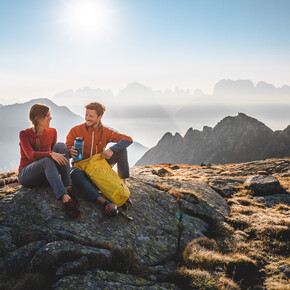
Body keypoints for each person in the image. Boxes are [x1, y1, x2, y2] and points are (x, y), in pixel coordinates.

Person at [66, 102, 133, 217]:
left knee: (121, 150)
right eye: (86, 115)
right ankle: (105, 203)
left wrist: (112, 149)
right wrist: (69, 152)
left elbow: (128, 139)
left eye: (91, 116)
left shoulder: (105, 131)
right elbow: (66, 151)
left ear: (99, 117)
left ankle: (123, 190)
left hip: (99, 167)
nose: (87, 118)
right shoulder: (75, 130)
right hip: (82, 169)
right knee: (74, 173)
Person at [18, 103, 82, 219]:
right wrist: (51, 154)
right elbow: (31, 155)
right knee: (48, 159)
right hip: (27, 175)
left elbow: (56, 156)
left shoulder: (52, 132)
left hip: (46, 176)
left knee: (61, 146)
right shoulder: (24, 134)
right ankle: (65, 199)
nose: (50, 118)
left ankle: (68, 187)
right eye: (47, 116)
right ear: (38, 118)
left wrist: (68, 154)